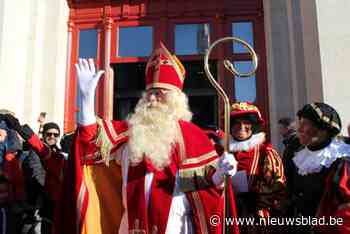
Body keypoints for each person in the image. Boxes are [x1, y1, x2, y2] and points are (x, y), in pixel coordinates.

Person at [55, 43, 239, 234]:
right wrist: (86, 100)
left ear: (176, 98)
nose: (152, 99)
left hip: (177, 228)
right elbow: (89, 146)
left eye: (159, 94)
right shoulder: (132, 131)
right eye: (150, 93)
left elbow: (206, 189)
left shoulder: (193, 136)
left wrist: (221, 174)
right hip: (131, 225)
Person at [283, 102, 350, 233]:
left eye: (305, 124)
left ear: (324, 129)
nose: (299, 129)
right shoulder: (295, 154)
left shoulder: (341, 159)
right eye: (299, 123)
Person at [0, 115, 66, 234]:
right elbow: (37, 169)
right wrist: (19, 128)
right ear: (44, 134)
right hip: (40, 204)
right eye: (49, 134)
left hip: (58, 208)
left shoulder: (62, 155)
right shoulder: (40, 155)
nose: (52, 137)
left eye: (55, 134)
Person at [228, 102, 286, 233]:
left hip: (256, 218)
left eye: (246, 123)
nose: (241, 127)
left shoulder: (265, 152)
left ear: (253, 126)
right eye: (236, 123)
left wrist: (256, 196)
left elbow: (278, 186)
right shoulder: (221, 152)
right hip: (228, 214)